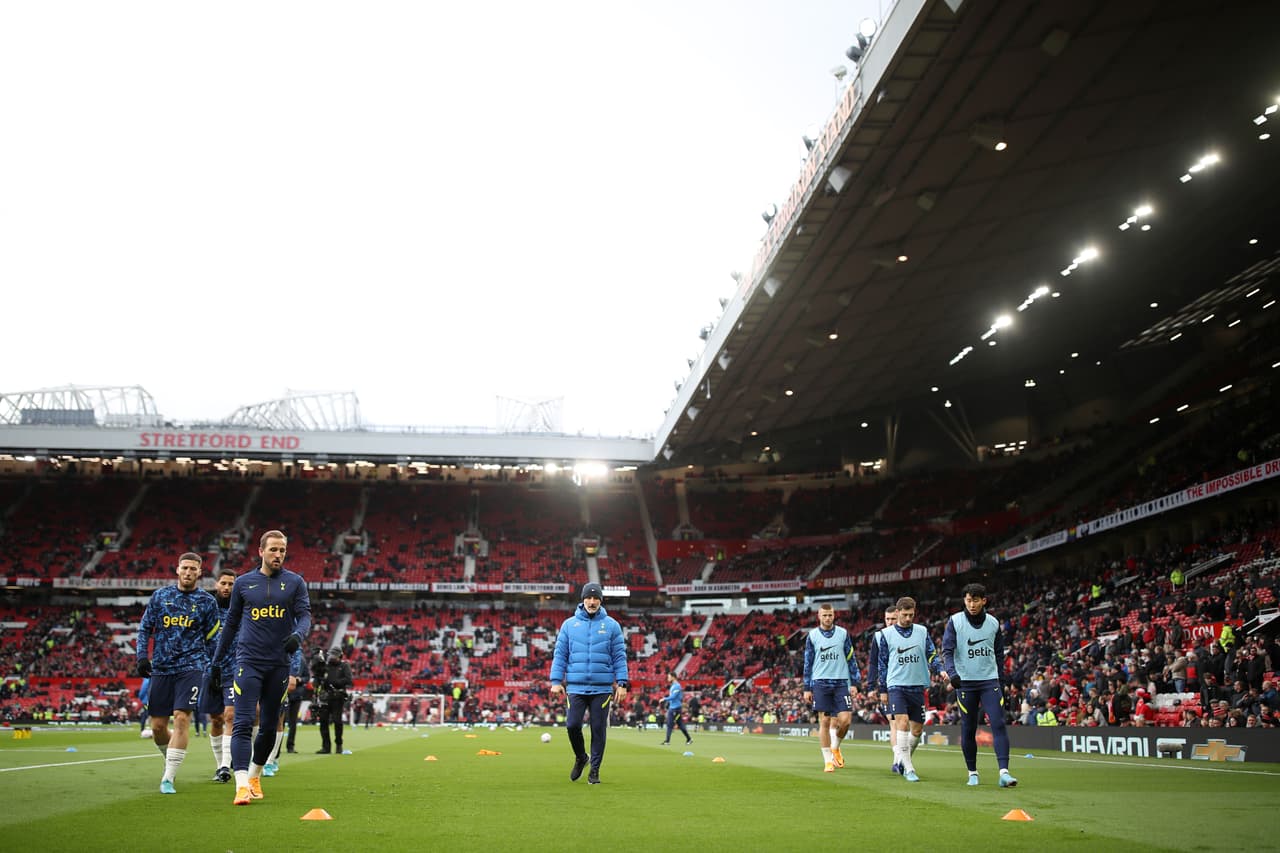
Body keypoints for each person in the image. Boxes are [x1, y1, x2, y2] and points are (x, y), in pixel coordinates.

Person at [209, 529, 311, 806]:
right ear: (261, 551)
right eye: (273, 549)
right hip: (248, 662)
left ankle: (255, 775)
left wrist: (297, 635)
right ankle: (241, 784)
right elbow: (231, 625)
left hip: (279, 664)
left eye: (282, 550)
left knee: (267, 726)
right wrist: (216, 663)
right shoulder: (244, 583)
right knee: (242, 722)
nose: (278, 554)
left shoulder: (295, 582)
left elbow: (304, 616)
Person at [135, 551, 220, 794]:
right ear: (178, 570)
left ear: (200, 572)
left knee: (182, 718)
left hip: (191, 667)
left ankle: (168, 778)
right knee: (158, 727)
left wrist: (214, 667)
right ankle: (170, 757)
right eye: (185, 568)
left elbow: (213, 639)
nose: (188, 572)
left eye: (193, 569)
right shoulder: (160, 596)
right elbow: (145, 628)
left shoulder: (207, 602)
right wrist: (141, 656)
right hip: (161, 668)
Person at [549, 582, 629, 785]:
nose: (592, 602)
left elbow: (619, 656)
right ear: (583, 599)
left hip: (602, 688)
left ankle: (594, 770)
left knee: (598, 729)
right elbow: (560, 655)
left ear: (601, 600)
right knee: (572, 725)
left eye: (595, 598)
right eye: (588, 598)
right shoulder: (569, 625)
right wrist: (556, 681)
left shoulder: (612, 625)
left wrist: (622, 683)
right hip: (575, 687)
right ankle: (581, 757)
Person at [941, 583, 1016, 788]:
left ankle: (1004, 773)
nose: (972, 604)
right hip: (965, 683)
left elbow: (999, 654)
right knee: (968, 728)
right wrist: (953, 673)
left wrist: (1001, 681)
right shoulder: (955, 621)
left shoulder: (993, 623)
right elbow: (947, 650)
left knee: (998, 723)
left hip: (989, 681)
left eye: (975, 600)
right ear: (964, 601)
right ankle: (972, 773)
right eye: (968, 600)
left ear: (984, 600)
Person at [874, 595, 940, 782]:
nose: (908, 618)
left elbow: (931, 654)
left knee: (917, 730)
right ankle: (909, 769)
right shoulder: (886, 635)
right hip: (896, 685)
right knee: (901, 723)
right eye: (904, 615)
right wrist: (883, 689)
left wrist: (940, 669)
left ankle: (902, 760)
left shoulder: (922, 631)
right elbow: (882, 664)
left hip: (917, 685)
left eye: (911, 615)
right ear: (898, 613)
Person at [803, 603, 861, 773]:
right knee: (825, 721)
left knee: (845, 720)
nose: (827, 618)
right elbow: (808, 662)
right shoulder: (812, 636)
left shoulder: (843, 634)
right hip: (820, 682)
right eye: (824, 615)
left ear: (834, 615)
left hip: (841, 682)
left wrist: (855, 682)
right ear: (819, 616)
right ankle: (828, 761)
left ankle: (835, 746)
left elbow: (851, 658)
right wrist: (807, 687)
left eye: (830, 615)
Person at [200, 566, 238, 783]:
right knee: (215, 720)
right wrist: (208, 666)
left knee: (230, 716)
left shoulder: (240, 611)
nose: (226, 587)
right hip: (210, 671)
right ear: (216, 584)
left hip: (234, 671)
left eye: (231, 584)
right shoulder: (207, 609)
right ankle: (219, 765)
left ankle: (225, 766)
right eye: (223, 583)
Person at [866, 603, 898, 771]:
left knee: (910, 726)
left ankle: (902, 758)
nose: (890, 622)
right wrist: (871, 686)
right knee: (894, 723)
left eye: (893, 619)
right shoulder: (879, 637)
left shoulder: (910, 635)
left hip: (909, 684)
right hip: (888, 686)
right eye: (887, 619)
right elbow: (873, 663)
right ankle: (898, 760)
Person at [315, 647, 353, 754]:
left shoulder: (344, 666)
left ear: (339, 656)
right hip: (325, 696)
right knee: (323, 721)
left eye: (334, 655)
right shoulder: (325, 666)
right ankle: (326, 747)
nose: (332, 657)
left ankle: (338, 744)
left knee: (337, 721)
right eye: (331, 655)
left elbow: (348, 679)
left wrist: (336, 682)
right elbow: (318, 677)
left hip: (338, 696)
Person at [283, 643, 311, 754]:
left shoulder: (302, 661)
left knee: (292, 722)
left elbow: (307, 676)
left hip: (296, 694)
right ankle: (278, 746)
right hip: (286, 693)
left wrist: (300, 679)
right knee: (281, 720)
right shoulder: (286, 658)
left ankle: (290, 746)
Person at [660, 671, 692, 746]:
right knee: (677, 724)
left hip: (676, 708)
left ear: (673, 677)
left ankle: (668, 741)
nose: (668, 678)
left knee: (672, 724)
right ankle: (688, 739)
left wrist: (664, 699)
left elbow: (674, 696)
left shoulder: (677, 686)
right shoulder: (673, 686)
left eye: (669, 677)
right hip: (672, 707)